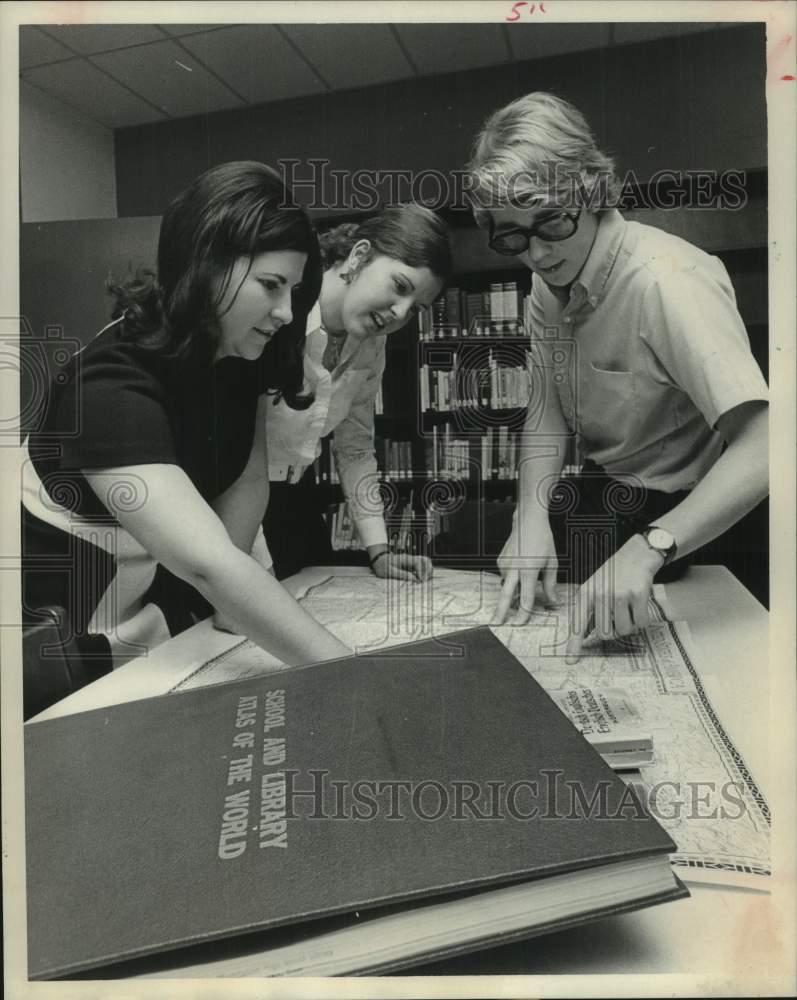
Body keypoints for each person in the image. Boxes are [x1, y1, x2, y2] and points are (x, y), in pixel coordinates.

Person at [466, 92, 769, 660]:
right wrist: (530, 521)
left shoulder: (667, 283)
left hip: (698, 514)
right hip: (617, 495)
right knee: (467, 534)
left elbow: (769, 446)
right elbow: (546, 415)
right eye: (512, 235)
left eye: (552, 221)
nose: (534, 253)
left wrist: (650, 547)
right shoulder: (548, 282)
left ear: (591, 192)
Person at [22, 160, 350, 684]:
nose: (288, 312)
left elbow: (248, 477)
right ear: (207, 267)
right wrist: (358, 674)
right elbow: (207, 564)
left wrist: (230, 608)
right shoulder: (108, 385)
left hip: (145, 610)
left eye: (293, 289)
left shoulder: (238, 355)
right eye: (270, 284)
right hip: (52, 634)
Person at [263, 205, 452, 581]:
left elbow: (356, 448)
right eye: (400, 286)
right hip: (233, 506)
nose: (400, 313)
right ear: (359, 255)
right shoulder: (280, 314)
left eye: (416, 309)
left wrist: (379, 549)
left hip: (295, 505)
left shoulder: (370, 343)